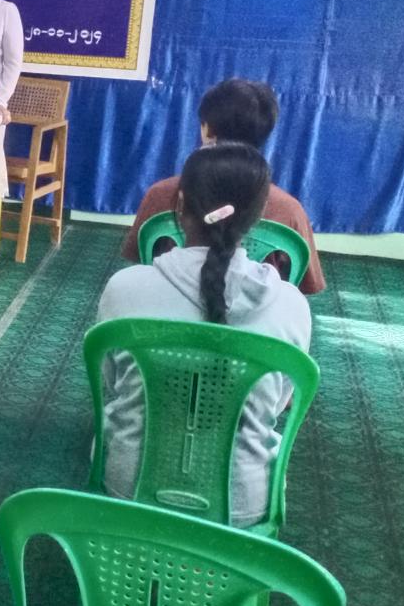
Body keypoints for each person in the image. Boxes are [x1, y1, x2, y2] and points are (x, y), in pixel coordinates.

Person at [96, 142, 311, 528]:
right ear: (259, 214)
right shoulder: (290, 305)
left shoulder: (124, 287)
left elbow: (109, 382)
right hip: (241, 505)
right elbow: (280, 403)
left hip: (129, 487)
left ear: (179, 205)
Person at [121, 78, 325, 295]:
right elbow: (304, 287)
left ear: (207, 129)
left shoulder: (160, 195)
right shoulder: (289, 211)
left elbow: (141, 260)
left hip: (165, 306)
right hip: (258, 315)